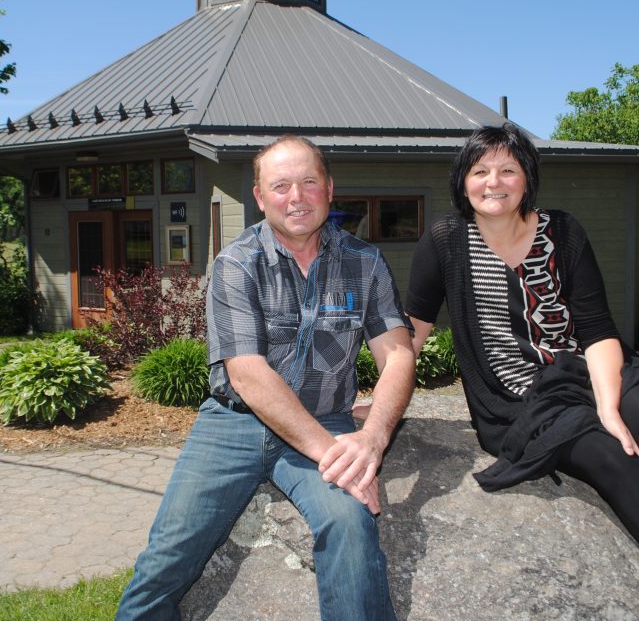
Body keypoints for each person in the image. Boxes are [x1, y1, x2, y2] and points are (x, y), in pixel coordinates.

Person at [402, 122, 639, 621]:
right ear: (463, 180)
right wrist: (385, 398)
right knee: (611, 457)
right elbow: (414, 330)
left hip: (591, 366)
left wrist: (608, 405)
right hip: (520, 395)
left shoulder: (563, 230)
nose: (494, 182)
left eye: (508, 170)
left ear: (527, 178)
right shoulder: (445, 240)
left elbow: (598, 327)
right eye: (481, 171)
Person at [115, 135, 416, 621]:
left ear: (329, 189)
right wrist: (337, 459)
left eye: (308, 182)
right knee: (167, 558)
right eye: (280, 186)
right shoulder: (236, 263)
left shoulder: (366, 262)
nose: (295, 197)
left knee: (349, 524)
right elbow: (249, 376)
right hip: (232, 427)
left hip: (327, 417)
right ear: (259, 197)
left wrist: (373, 440)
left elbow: (398, 355)